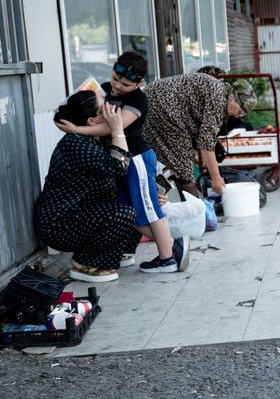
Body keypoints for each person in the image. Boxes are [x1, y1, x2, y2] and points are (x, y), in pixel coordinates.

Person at [55, 52, 189, 274]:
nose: (117, 86)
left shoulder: (138, 100)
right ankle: (173, 245)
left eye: (125, 84)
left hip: (137, 159)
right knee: (126, 208)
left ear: (139, 83)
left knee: (149, 208)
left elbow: (113, 127)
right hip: (116, 160)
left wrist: (77, 129)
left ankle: (167, 258)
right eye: (115, 79)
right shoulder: (103, 89)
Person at [34, 92, 139, 283]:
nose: (113, 109)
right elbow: (120, 167)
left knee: (135, 204)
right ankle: (83, 264)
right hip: (60, 224)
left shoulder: (95, 139)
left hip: (83, 215)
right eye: (105, 107)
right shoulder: (76, 144)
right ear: (92, 121)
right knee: (123, 213)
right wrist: (117, 129)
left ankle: (112, 254)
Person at [144, 72, 256, 198]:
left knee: (177, 165)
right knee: (184, 169)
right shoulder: (219, 101)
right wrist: (216, 177)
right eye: (240, 111)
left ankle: (152, 196)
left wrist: (202, 156)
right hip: (162, 107)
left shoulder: (220, 91)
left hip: (155, 100)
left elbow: (203, 133)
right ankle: (195, 208)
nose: (238, 116)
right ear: (233, 100)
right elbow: (206, 143)